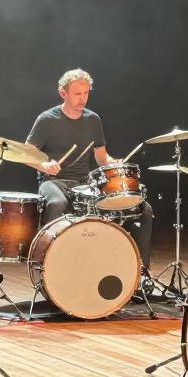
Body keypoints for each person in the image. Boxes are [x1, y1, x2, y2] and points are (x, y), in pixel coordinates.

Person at [26, 68, 153, 272]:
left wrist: (114, 163)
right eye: (77, 94)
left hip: (84, 183)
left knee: (144, 209)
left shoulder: (93, 119)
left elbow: (102, 157)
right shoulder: (47, 120)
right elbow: (26, 154)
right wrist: (44, 165)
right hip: (53, 181)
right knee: (56, 203)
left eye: (86, 93)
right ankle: (52, 267)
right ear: (63, 93)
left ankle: (140, 272)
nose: (83, 99)